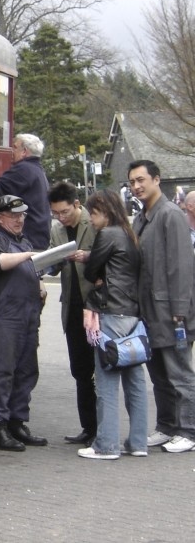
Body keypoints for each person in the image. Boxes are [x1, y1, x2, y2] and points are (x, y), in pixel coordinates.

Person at [127, 159, 195, 453]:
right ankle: (167, 427)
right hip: (149, 312)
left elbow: (181, 266)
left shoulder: (171, 215)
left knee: (180, 373)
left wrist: (179, 311)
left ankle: (189, 430)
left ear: (157, 179)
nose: (136, 186)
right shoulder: (141, 218)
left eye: (141, 180)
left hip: (172, 313)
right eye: (132, 182)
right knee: (159, 375)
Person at [0, 194, 49, 451]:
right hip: (3, 316)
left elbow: (34, 271)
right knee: (3, 372)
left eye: (22, 215)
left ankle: (17, 422)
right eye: (13, 215)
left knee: (27, 370)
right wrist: (28, 256)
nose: (20, 220)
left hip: (28, 314)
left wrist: (40, 286)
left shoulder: (23, 241)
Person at [77, 189, 146, 459]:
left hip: (111, 311)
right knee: (135, 380)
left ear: (104, 212)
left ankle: (106, 445)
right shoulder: (130, 234)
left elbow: (91, 270)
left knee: (106, 380)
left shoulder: (107, 234)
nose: (91, 220)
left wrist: (95, 271)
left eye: (93, 214)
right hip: (132, 313)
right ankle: (138, 442)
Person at [48, 181, 97, 446]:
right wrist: (50, 262)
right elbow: (53, 267)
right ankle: (88, 427)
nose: (61, 218)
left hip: (96, 308)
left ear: (76, 204)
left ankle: (103, 429)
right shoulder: (56, 229)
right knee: (80, 370)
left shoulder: (94, 222)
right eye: (55, 213)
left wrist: (87, 256)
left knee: (101, 371)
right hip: (73, 309)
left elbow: (109, 256)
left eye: (65, 212)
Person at [0, 133, 50, 250]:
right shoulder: (36, 169)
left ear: (24, 151)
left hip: (26, 242)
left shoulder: (24, 169)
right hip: (36, 239)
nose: (11, 151)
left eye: (15, 147)